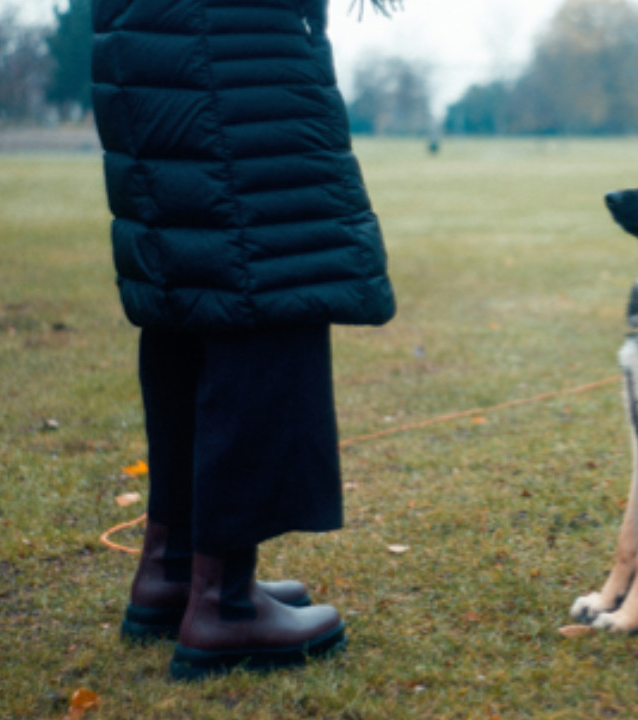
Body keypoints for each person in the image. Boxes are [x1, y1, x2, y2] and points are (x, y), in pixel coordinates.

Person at [91, 0, 396, 680]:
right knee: (271, 276)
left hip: (151, 42)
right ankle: (224, 604)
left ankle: (175, 572)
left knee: (197, 280)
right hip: (229, 40)